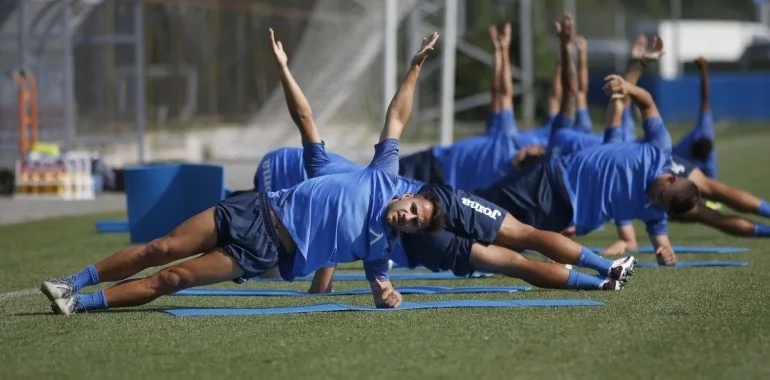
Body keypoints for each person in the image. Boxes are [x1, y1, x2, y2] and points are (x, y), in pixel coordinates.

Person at [40, 29, 445, 315]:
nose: (407, 218)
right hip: (251, 210)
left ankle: (80, 304)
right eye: (413, 210)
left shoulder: (381, 249)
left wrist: (389, 296)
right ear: (405, 195)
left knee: (172, 279)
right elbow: (354, 118)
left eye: (413, 224)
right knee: (158, 249)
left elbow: (381, 291)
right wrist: (414, 67)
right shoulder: (378, 176)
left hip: (263, 251)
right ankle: (71, 283)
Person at [246, 144, 636, 293]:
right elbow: (309, 121)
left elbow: (331, 243)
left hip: (418, 235)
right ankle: (605, 267)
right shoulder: (322, 166)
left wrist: (321, 287)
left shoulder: (313, 192)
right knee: (526, 237)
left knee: (514, 263)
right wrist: (415, 68)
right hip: (435, 203)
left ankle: (599, 284)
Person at [476, 16, 700, 266]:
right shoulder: (653, 150)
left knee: (502, 238)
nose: (655, 198)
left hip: (564, 215)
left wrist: (665, 253)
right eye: (661, 194)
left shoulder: (653, 206)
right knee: (481, 209)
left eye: (661, 202)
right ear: (671, 178)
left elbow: (662, 242)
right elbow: (625, 99)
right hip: (550, 181)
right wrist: (630, 75)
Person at [398, 23, 522, 191]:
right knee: (380, 178)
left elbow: (502, 93)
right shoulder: (508, 140)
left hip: (441, 190)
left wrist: (502, 52)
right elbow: (500, 93)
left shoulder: (508, 183)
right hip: (433, 162)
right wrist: (501, 52)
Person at [672, 57, 717, 179]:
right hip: (669, 155)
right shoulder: (704, 130)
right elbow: (705, 99)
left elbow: (714, 188)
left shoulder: (708, 166)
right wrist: (703, 71)